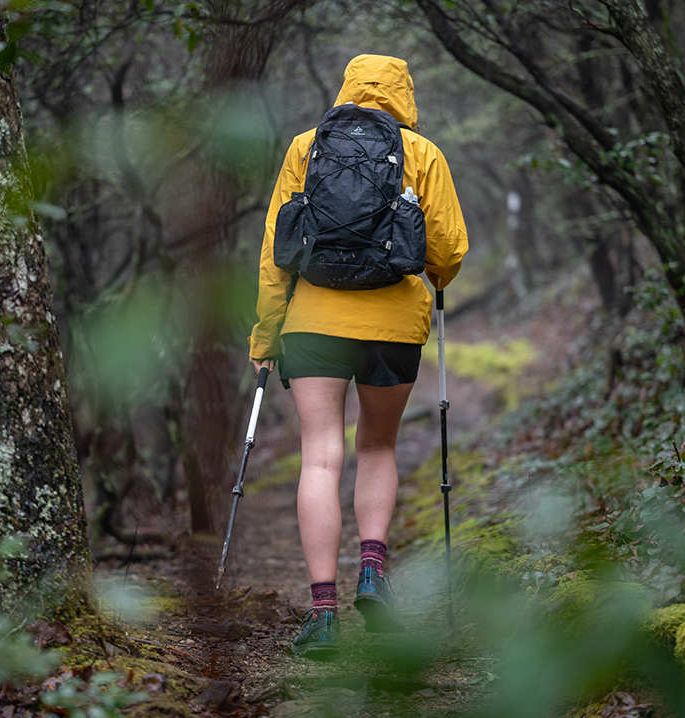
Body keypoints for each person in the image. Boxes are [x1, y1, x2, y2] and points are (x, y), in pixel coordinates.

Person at [248, 54, 469, 657]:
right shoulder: (420, 153)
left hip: (313, 323)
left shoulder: (305, 147)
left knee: (320, 456)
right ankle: (373, 572)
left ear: (345, 87)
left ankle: (323, 615)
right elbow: (447, 256)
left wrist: (266, 337)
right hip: (393, 325)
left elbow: (277, 251)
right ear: (404, 93)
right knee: (377, 446)